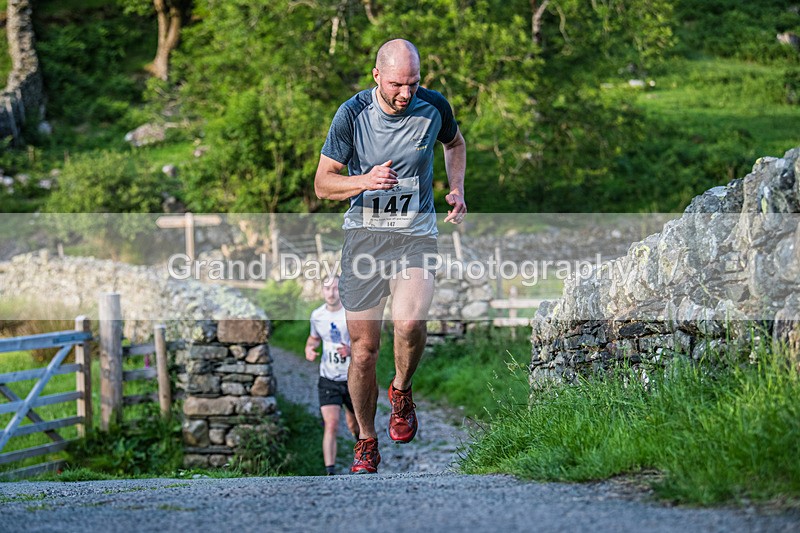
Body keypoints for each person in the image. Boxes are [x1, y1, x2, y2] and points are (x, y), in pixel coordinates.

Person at [314, 38, 467, 474]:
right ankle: (366, 440)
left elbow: (455, 144)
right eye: (397, 84)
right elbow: (323, 184)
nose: (406, 93)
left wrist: (456, 188)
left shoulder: (433, 107)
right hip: (364, 240)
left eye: (413, 83)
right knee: (363, 351)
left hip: (414, 236)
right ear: (377, 76)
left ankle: (401, 390)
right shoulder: (351, 114)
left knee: (411, 322)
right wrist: (364, 180)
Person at [304, 275, 359, 476]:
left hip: (352, 378)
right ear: (322, 291)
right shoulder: (317, 315)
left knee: (355, 423)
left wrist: (351, 350)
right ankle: (330, 472)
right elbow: (314, 338)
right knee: (332, 424)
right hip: (328, 378)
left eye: (335, 288)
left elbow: (366, 343)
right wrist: (309, 349)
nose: (331, 292)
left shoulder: (351, 314)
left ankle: (363, 450)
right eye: (327, 288)